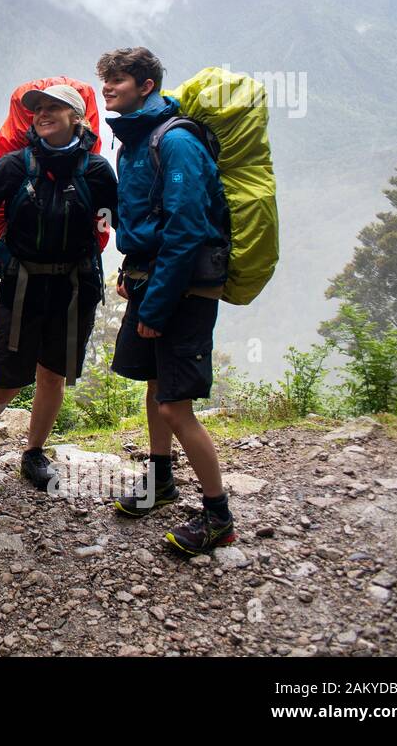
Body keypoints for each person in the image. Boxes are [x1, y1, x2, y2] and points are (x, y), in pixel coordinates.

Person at [97, 46, 236, 555]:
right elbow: (145, 221)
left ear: (147, 84)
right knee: (156, 386)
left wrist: (156, 305)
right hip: (151, 279)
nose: (108, 87)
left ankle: (219, 515)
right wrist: (133, 274)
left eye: (118, 80)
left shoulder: (174, 141)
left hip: (183, 288)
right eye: (106, 79)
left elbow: (186, 229)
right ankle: (161, 482)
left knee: (176, 406)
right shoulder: (133, 140)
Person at [0, 85, 117, 491]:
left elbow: (116, 220)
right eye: (38, 108)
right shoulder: (15, 166)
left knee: (52, 375)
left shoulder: (97, 171)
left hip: (73, 287)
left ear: (77, 117)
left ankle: (34, 452)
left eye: (54, 108)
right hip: (22, 286)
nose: (42, 114)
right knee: (6, 380)